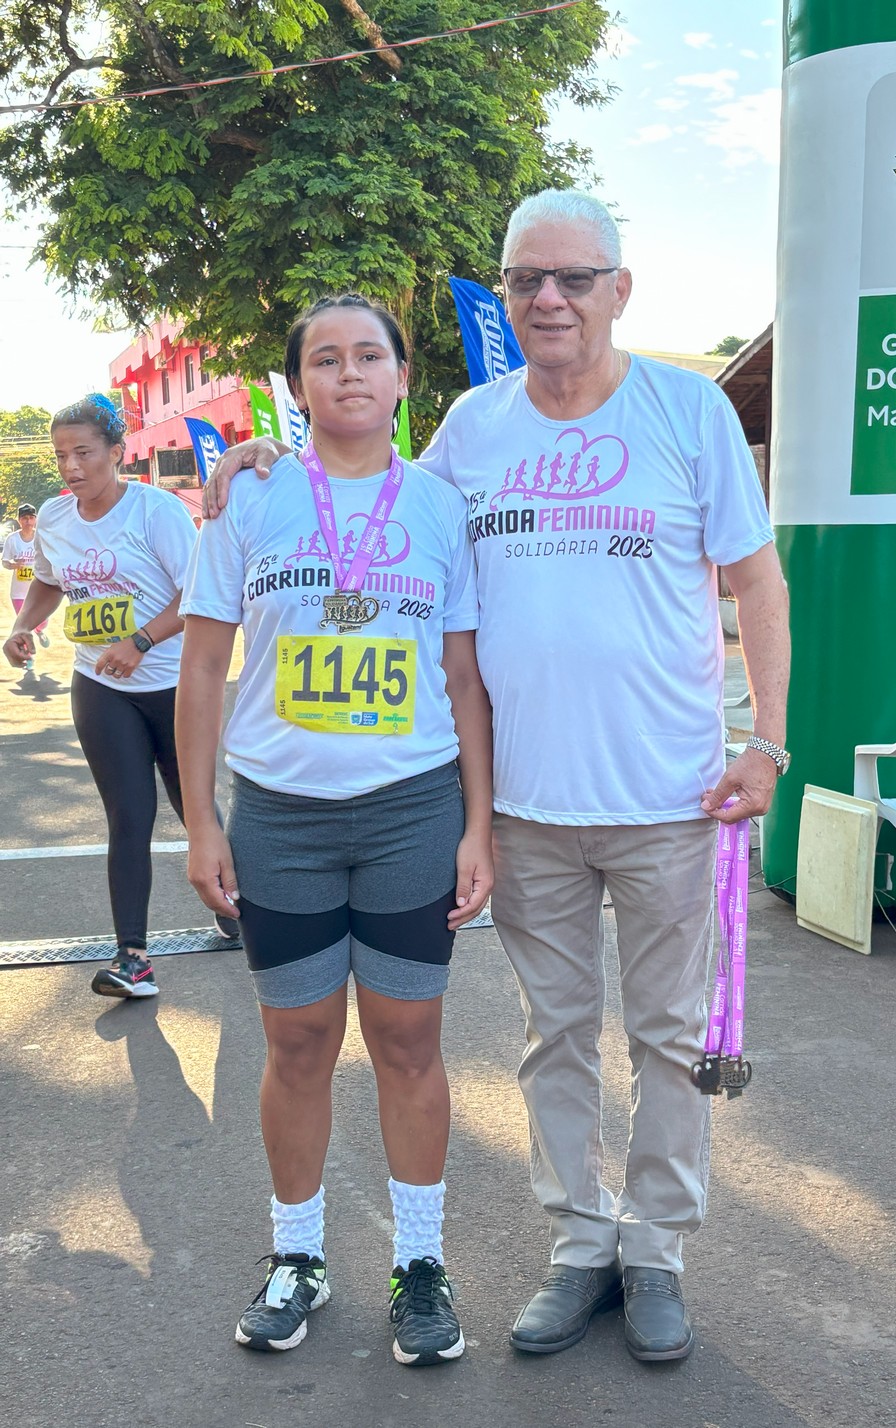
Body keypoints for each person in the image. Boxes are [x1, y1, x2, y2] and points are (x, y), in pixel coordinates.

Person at [205, 191, 790, 1363]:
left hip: (674, 796)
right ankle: (581, 1249)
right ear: (506, 295)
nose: (551, 300)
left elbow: (758, 584)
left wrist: (767, 739)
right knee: (554, 1039)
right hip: (523, 806)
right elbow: (370, 502)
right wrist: (264, 460)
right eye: (528, 280)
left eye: (575, 278)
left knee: (670, 1039)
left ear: (620, 289)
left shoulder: (689, 412)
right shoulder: (470, 428)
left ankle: (657, 1253)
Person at [176, 294, 493, 1365]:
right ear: (297, 384)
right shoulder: (251, 500)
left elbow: (463, 675)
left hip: (411, 809)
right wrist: (203, 822)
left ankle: (419, 1265)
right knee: (297, 1041)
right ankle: (298, 1256)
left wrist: (477, 826)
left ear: (404, 379)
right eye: (325, 359)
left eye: (370, 356)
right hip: (280, 819)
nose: (349, 373)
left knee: (409, 1042)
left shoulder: (439, 507)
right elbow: (206, 666)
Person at [1, 395, 236, 998]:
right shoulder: (54, 518)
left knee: (195, 808)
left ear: (116, 451)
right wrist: (24, 626)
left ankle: (239, 911)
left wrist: (139, 640)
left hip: (173, 686)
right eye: (61, 455)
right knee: (127, 815)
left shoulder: (154, 511)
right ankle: (133, 958)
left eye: (83, 452)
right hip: (100, 684)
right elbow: (50, 583)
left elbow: (197, 595)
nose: (71, 466)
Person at [2, 502, 51, 666]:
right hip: (18, 592)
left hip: (39, 589)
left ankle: (40, 631)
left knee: (41, 621)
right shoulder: (12, 539)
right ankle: (28, 656)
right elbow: (5, 561)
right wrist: (13, 565)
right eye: (24, 518)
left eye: (31, 518)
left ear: (36, 519)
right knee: (24, 626)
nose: (28, 521)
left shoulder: (41, 537)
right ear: (19, 520)